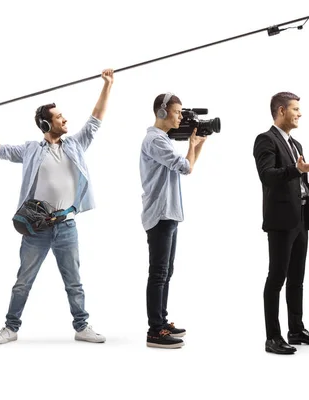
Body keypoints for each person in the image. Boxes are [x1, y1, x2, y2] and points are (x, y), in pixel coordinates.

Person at [0, 69, 114, 345]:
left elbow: (95, 120)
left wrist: (107, 85)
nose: (65, 120)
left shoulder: (74, 144)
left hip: (66, 226)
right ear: (46, 125)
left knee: (74, 282)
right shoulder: (30, 150)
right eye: (59, 117)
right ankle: (10, 328)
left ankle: (82, 326)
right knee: (23, 282)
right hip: (36, 229)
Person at [253, 92, 309, 355]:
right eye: (296, 109)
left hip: (301, 218)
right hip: (280, 221)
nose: (300, 114)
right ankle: (272, 337)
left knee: (297, 279)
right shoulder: (265, 140)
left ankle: (296, 330)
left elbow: (298, 184)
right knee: (277, 278)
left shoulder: (296, 144)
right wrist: (297, 170)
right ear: (281, 110)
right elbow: (268, 176)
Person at [139, 92, 207, 349]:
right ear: (162, 112)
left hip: (169, 212)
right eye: (178, 112)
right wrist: (191, 145)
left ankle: (162, 321)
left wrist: (198, 143)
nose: (182, 117)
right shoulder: (156, 140)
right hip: (160, 212)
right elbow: (185, 167)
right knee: (158, 273)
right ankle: (155, 329)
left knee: (166, 271)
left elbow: (187, 167)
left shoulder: (162, 140)